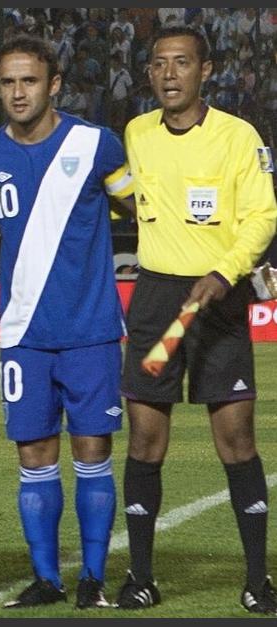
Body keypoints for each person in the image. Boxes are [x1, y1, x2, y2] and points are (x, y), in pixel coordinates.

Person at [0, 35, 136, 609]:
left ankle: (92, 578)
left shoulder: (95, 144)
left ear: (54, 84)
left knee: (92, 452)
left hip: (91, 331)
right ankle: (45, 579)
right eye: (8, 82)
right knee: (33, 458)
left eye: (30, 80)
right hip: (23, 335)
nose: (19, 92)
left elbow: (141, 207)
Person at [115, 26, 277, 613]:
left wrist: (225, 272)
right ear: (149, 73)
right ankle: (140, 577)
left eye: (182, 62)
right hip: (155, 297)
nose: (169, 73)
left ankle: (257, 581)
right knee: (144, 438)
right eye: (160, 63)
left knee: (236, 439)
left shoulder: (238, 136)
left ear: (205, 70)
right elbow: (125, 191)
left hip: (219, 299)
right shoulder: (136, 133)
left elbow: (262, 216)